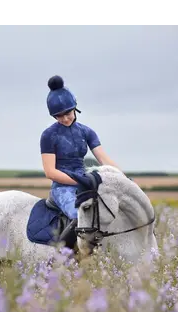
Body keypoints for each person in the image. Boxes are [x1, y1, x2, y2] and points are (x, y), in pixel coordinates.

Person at [40, 75, 121, 249]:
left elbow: (103, 159)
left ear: (75, 108)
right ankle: (59, 257)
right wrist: (79, 180)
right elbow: (50, 172)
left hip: (85, 183)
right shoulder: (48, 136)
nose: (65, 119)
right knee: (81, 216)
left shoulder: (87, 132)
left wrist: (122, 177)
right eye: (59, 116)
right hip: (62, 188)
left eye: (67, 113)